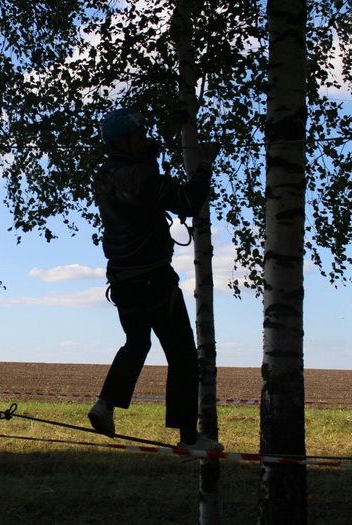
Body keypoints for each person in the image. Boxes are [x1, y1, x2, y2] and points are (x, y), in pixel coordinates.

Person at [87, 108, 224, 451]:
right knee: (182, 355)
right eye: (139, 135)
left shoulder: (104, 176)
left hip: (123, 282)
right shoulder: (142, 178)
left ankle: (105, 403)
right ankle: (188, 439)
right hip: (155, 280)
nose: (144, 139)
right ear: (123, 140)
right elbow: (187, 201)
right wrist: (204, 165)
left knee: (137, 344)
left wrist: (148, 159)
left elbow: (137, 190)